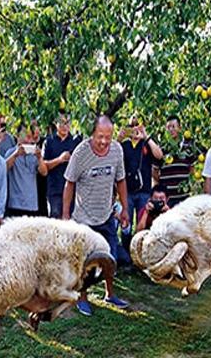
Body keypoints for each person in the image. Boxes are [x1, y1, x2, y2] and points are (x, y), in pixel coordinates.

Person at [63, 115, 130, 316]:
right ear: (93, 133)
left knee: (111, 258)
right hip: (83, 219)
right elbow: (69, 183)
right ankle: (82, 298)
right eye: (100, 136)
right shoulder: (81, 152)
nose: (103, 141)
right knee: (86, 263)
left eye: (108, 137)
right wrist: (65, 215)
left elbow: (121, 180)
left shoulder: (117, 150)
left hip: (106, 215)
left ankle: (110, 294)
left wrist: (125, 208)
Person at [119, 115, 162, 261]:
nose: (135, 129)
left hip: (144, 192)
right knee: (126, 225)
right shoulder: (124, 145)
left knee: (142, 224)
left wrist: (147, 136)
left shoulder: (146, 144)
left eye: (138, 125)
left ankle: (141, 255)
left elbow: (160, 155)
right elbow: (111, 153)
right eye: (132, 126)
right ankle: (126, 256)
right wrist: (119, 138)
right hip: (128, 192)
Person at [4, 122, 48, 217]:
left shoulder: (34, 154)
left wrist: (40, 158)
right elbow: (3, 169)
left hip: (32, 204)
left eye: (28, 135)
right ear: (17, 135)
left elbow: (44, 172)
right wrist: (16, 154)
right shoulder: (11, 152)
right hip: (15, 204)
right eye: (24, 134)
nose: (26, 138)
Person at [43, 111, 81, 218]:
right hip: (55, 191)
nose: (65, 126)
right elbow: (43, 166)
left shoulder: (75, 141)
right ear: (56, 123)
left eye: (67, 122)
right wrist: (59, 160)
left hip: (72, 192)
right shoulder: (49, 141)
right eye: (62, 122)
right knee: (55, 224)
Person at [159, 115, 194, 207]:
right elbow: (155, 172)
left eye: (173, 126)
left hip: (184, 197)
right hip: (167, 199)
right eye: (168, 127)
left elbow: (192, 169)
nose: (171, 129)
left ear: (180, 128)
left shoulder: (188, 147)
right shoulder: (161, 149)